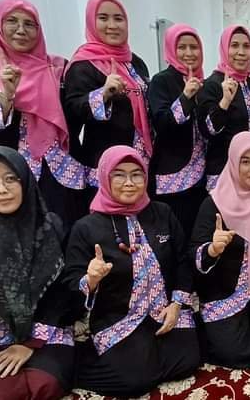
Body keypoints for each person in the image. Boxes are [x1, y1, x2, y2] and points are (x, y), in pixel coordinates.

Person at [64, 146, 198, 397]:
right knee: (134, 381)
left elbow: (182, 260)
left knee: (189, 359)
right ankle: (85, 358)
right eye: (119, 175)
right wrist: (91, 280)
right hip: (119, 317)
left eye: (136, 174)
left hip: (163, 311)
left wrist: (176, 304)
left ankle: (145, 357)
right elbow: (71, 282)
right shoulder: (86, 228)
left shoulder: (162, 213)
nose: (129, 182)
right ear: (105, 177)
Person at [0, 0, 85, 231]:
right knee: (21, 230)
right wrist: (6, 95)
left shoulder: (57, 67)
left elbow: (74, 114)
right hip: (14, 167)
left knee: (68, 228)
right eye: (12, 21)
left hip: (62, 166)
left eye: (29, 24)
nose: (21, 30)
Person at [0, 147, 74, 400]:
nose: (1, 189)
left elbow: (64, 292)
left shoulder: (52, 227)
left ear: (25, 181)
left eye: (10, 178)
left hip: (45, 331)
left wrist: (29, 345)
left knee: (45, 384)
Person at [191, 132, 250, 368]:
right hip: (226, 291)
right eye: (246, 162)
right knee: (231, 350)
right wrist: (212, 250)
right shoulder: (214, 204)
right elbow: (193, 255)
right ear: (233, 162)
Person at [63, 0, 151, 203]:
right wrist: (103, 94)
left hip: (141, 158)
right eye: (103, 18)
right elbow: (72, 112)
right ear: (91, 22)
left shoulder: (136, 63)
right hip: (105, 159)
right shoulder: (83, 65)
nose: (112, 25)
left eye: (118, 19)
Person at [147, 23, 206, 236]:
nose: (189, 53)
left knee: (197, 235)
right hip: (172, 181)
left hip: (201, 179)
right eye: (182, 47)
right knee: (175, 237)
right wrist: (185, 97)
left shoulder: (203, 82)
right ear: (171, 49)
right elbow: (162, 124)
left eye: (194, 47)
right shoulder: (161, 81)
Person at [197, 25, 250, 190]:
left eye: (246, 46)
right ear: (224, 49)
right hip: (222, 171)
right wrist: (225, 102)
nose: (241, 52)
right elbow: (208, 130)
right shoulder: (212, 84)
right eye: (234, 45)